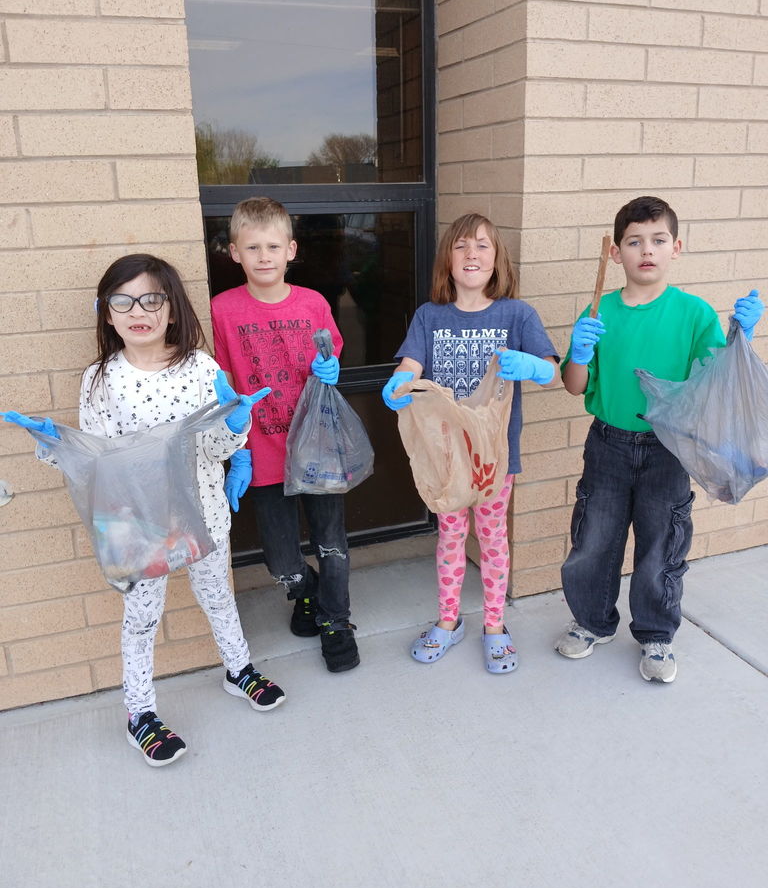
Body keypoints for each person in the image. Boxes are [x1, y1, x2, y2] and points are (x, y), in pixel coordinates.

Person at [2, 254, 286, 767]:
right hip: (140, 526)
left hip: (203, 511)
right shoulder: (100, 379)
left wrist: (236, 423)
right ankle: (140, 715)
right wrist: (58, 445)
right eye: (123, 300)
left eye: (152, 298)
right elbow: (98, 462)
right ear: (106, 313)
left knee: (218, 595)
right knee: (141, 618)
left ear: (172, 309)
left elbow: (218, 448)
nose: (139, 310)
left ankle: (238, 669)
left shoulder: (201, 368)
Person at [556, 194, 764, 683]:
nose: (646, 250)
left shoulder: (693, 314)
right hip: (607, 442)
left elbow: (717, 381)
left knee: (661, 543)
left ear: (677, 248)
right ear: (615, 253)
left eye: (658, 240)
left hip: (670, 449)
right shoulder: (598, 310)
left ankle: (655, 633)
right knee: (593, 539)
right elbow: (575, 386)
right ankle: (592, 621)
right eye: (633, 241)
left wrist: (742, 337)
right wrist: (580, 353)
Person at [381, 212, 559, 673]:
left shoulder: (516, 314)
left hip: (495, 459)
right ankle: (448, 620)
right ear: (447, 260)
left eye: (482, 245)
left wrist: (535, 367)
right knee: (450, 537)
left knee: (493, 539)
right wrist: (399, 383)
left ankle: (495, 626)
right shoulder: (429, 316)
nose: (472, 254)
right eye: (461, 246)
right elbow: (411, 365)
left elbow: (551, 369)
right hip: (447, 459)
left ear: (497, 258)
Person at [210, 196, 360, 673]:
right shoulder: (222, 311)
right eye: (252, 247)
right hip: (262, 446)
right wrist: (238, 450)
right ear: (234, 252)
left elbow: (332, 351)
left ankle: (336, 621)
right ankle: (306, 592)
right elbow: (222, 384)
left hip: (317, 445)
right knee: (280, 560)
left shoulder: (313, 303)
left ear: (291, 249)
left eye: (273, 246)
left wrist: (331, 367)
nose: (264, 256)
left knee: (331, 542)